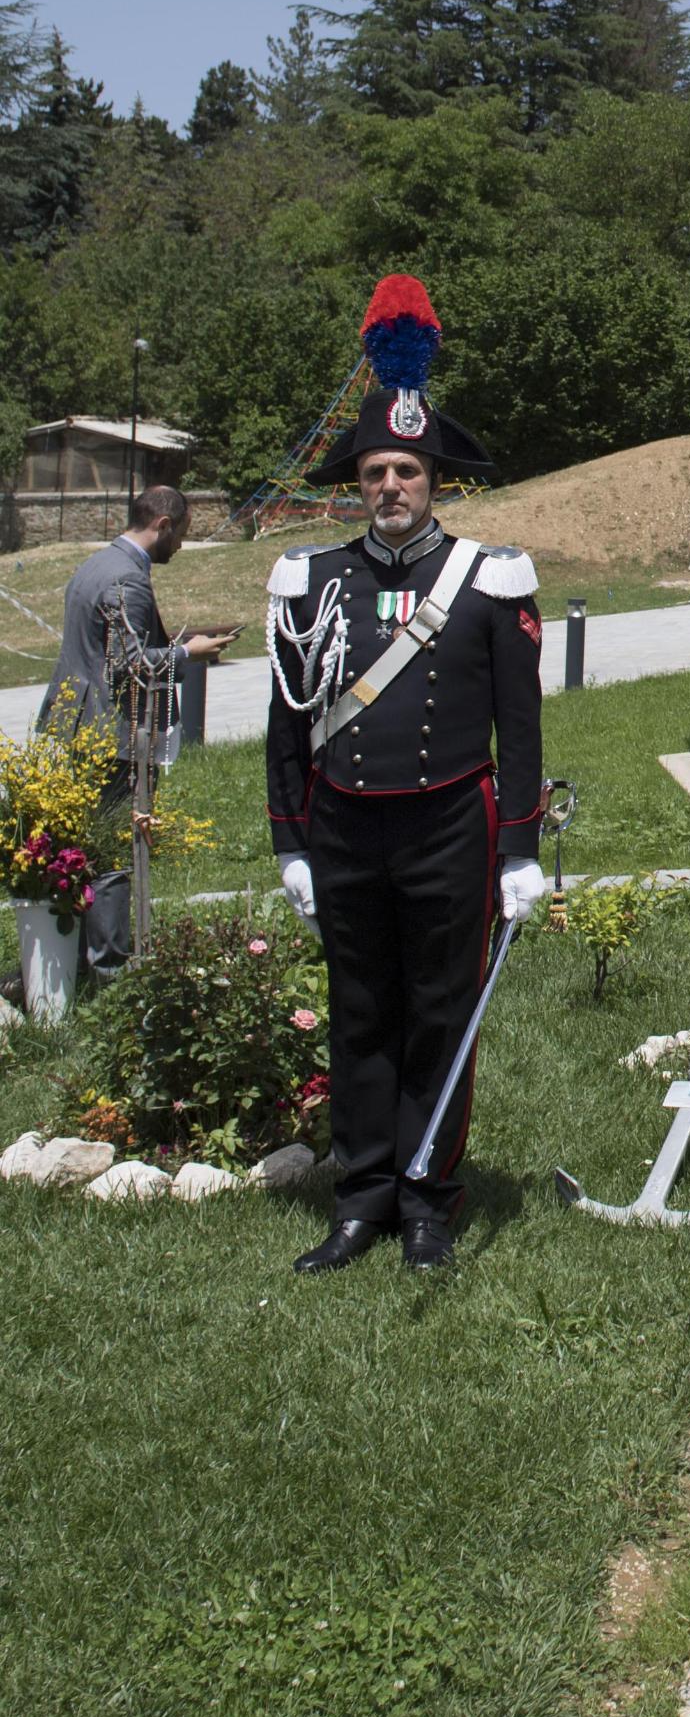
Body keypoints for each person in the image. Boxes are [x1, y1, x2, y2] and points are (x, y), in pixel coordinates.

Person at [264, 276, 545, 1275]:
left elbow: (522, 728)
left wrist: (520, 847)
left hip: (449, 829)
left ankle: (429, 1196)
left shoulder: (490, 579)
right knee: (359, 1010)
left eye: (408, 472)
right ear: (358, 481)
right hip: (344, 830)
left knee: (439, 1010)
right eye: (377, 471)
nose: (392, 488)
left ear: (435, 481)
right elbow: (288, 729)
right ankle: (360, 1196)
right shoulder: (312, 580)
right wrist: (291, 842)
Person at [38, 484, 231, 979]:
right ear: (163, 525)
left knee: (86, 848)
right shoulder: (129, 579)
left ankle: (80, 961)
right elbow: (129, 667)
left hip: (79, 724)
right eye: (182, 535)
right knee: (116, 851)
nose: (182, 546)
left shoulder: (98, 563)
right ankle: (111, 969)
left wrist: (178, 642)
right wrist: (191, 654)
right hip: (113, 733)